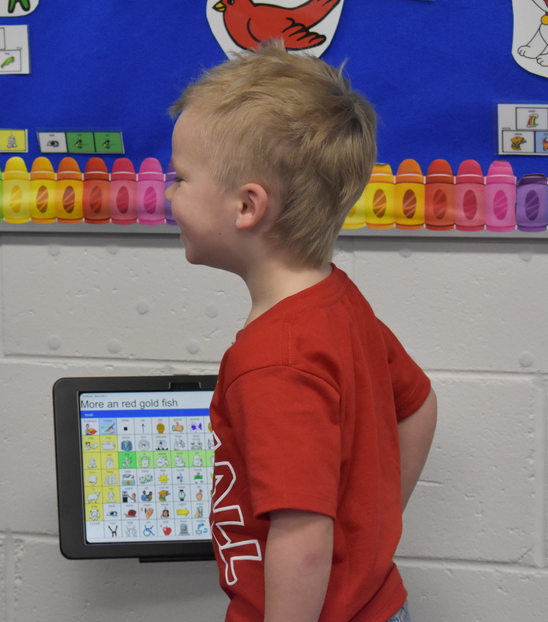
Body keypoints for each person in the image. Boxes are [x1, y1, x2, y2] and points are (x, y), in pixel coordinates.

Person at [165, 40, 437, 622]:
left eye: (180, 177)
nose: (169, 193)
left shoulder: (274, 362)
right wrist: (372, 531)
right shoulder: (338, 301)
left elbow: (303, 537)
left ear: (247, 206)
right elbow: (418, 406)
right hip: (377, 604)